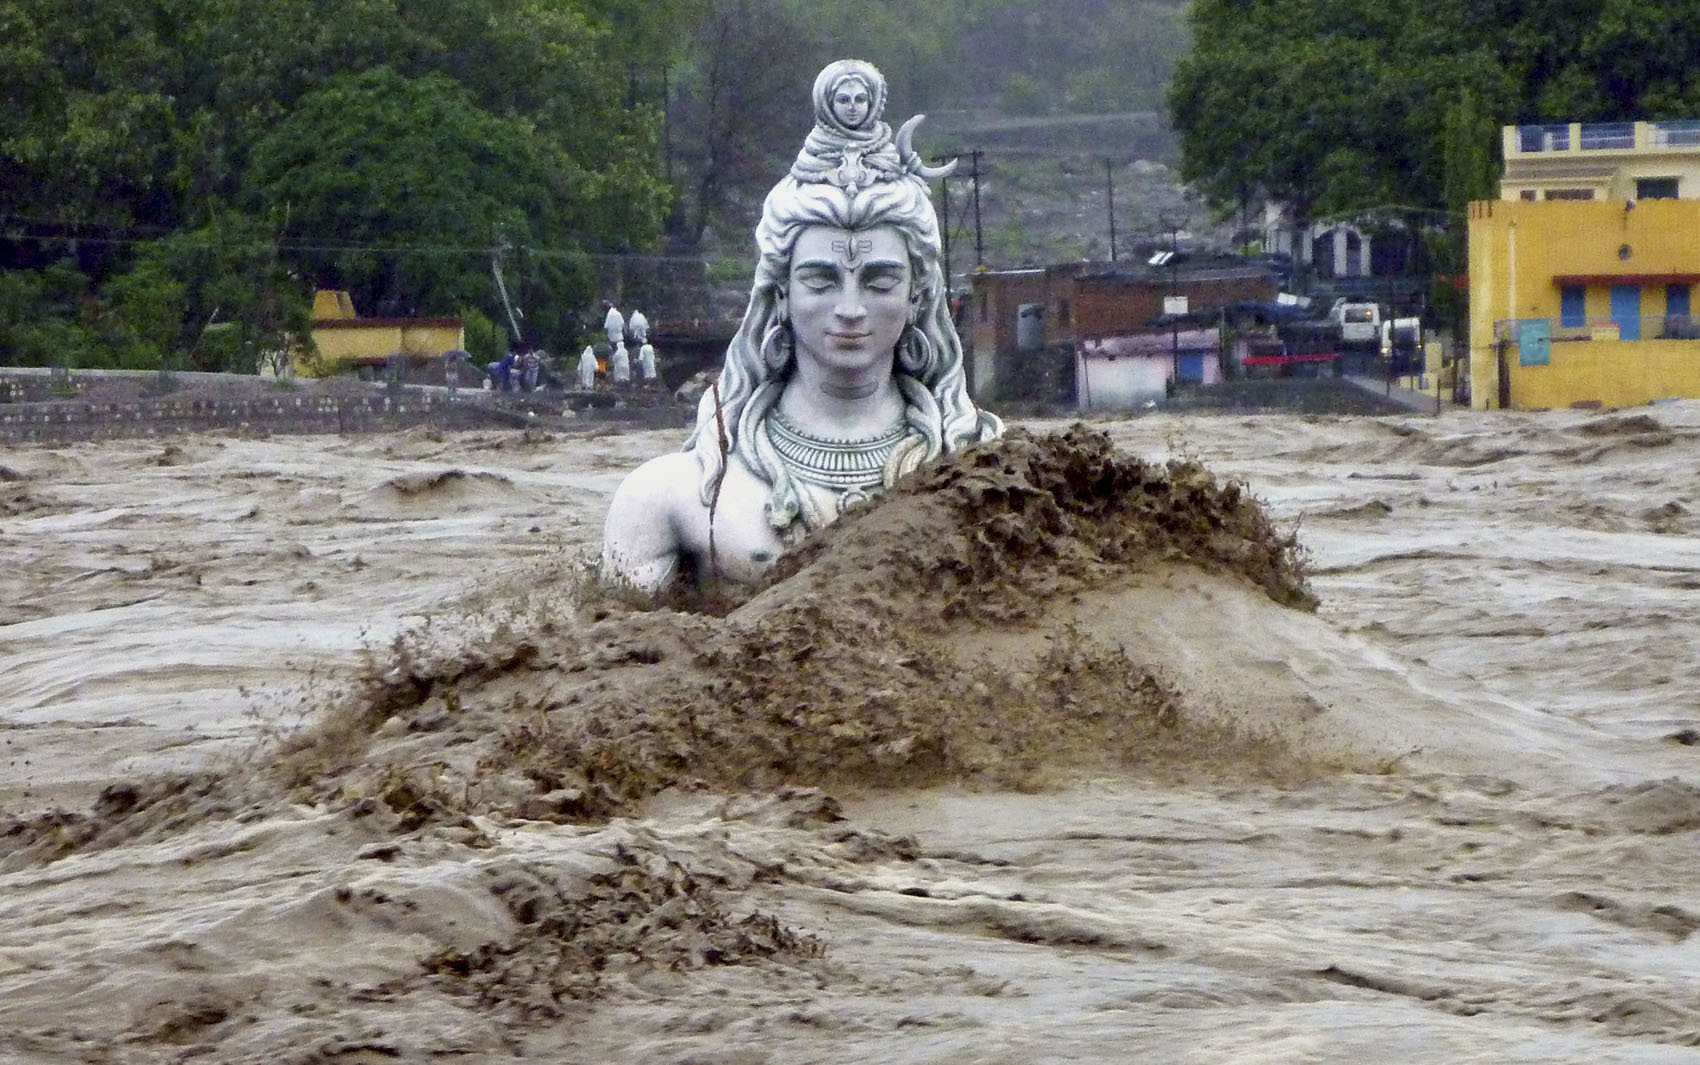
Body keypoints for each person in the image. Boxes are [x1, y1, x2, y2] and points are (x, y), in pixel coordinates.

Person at [602, 59, 1000, 593]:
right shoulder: (671, 497)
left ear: (917, 295)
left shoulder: (988, 470)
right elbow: (613, 662)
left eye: (880, 283)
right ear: (781, 293)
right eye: (821, 281)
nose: (851, 308)